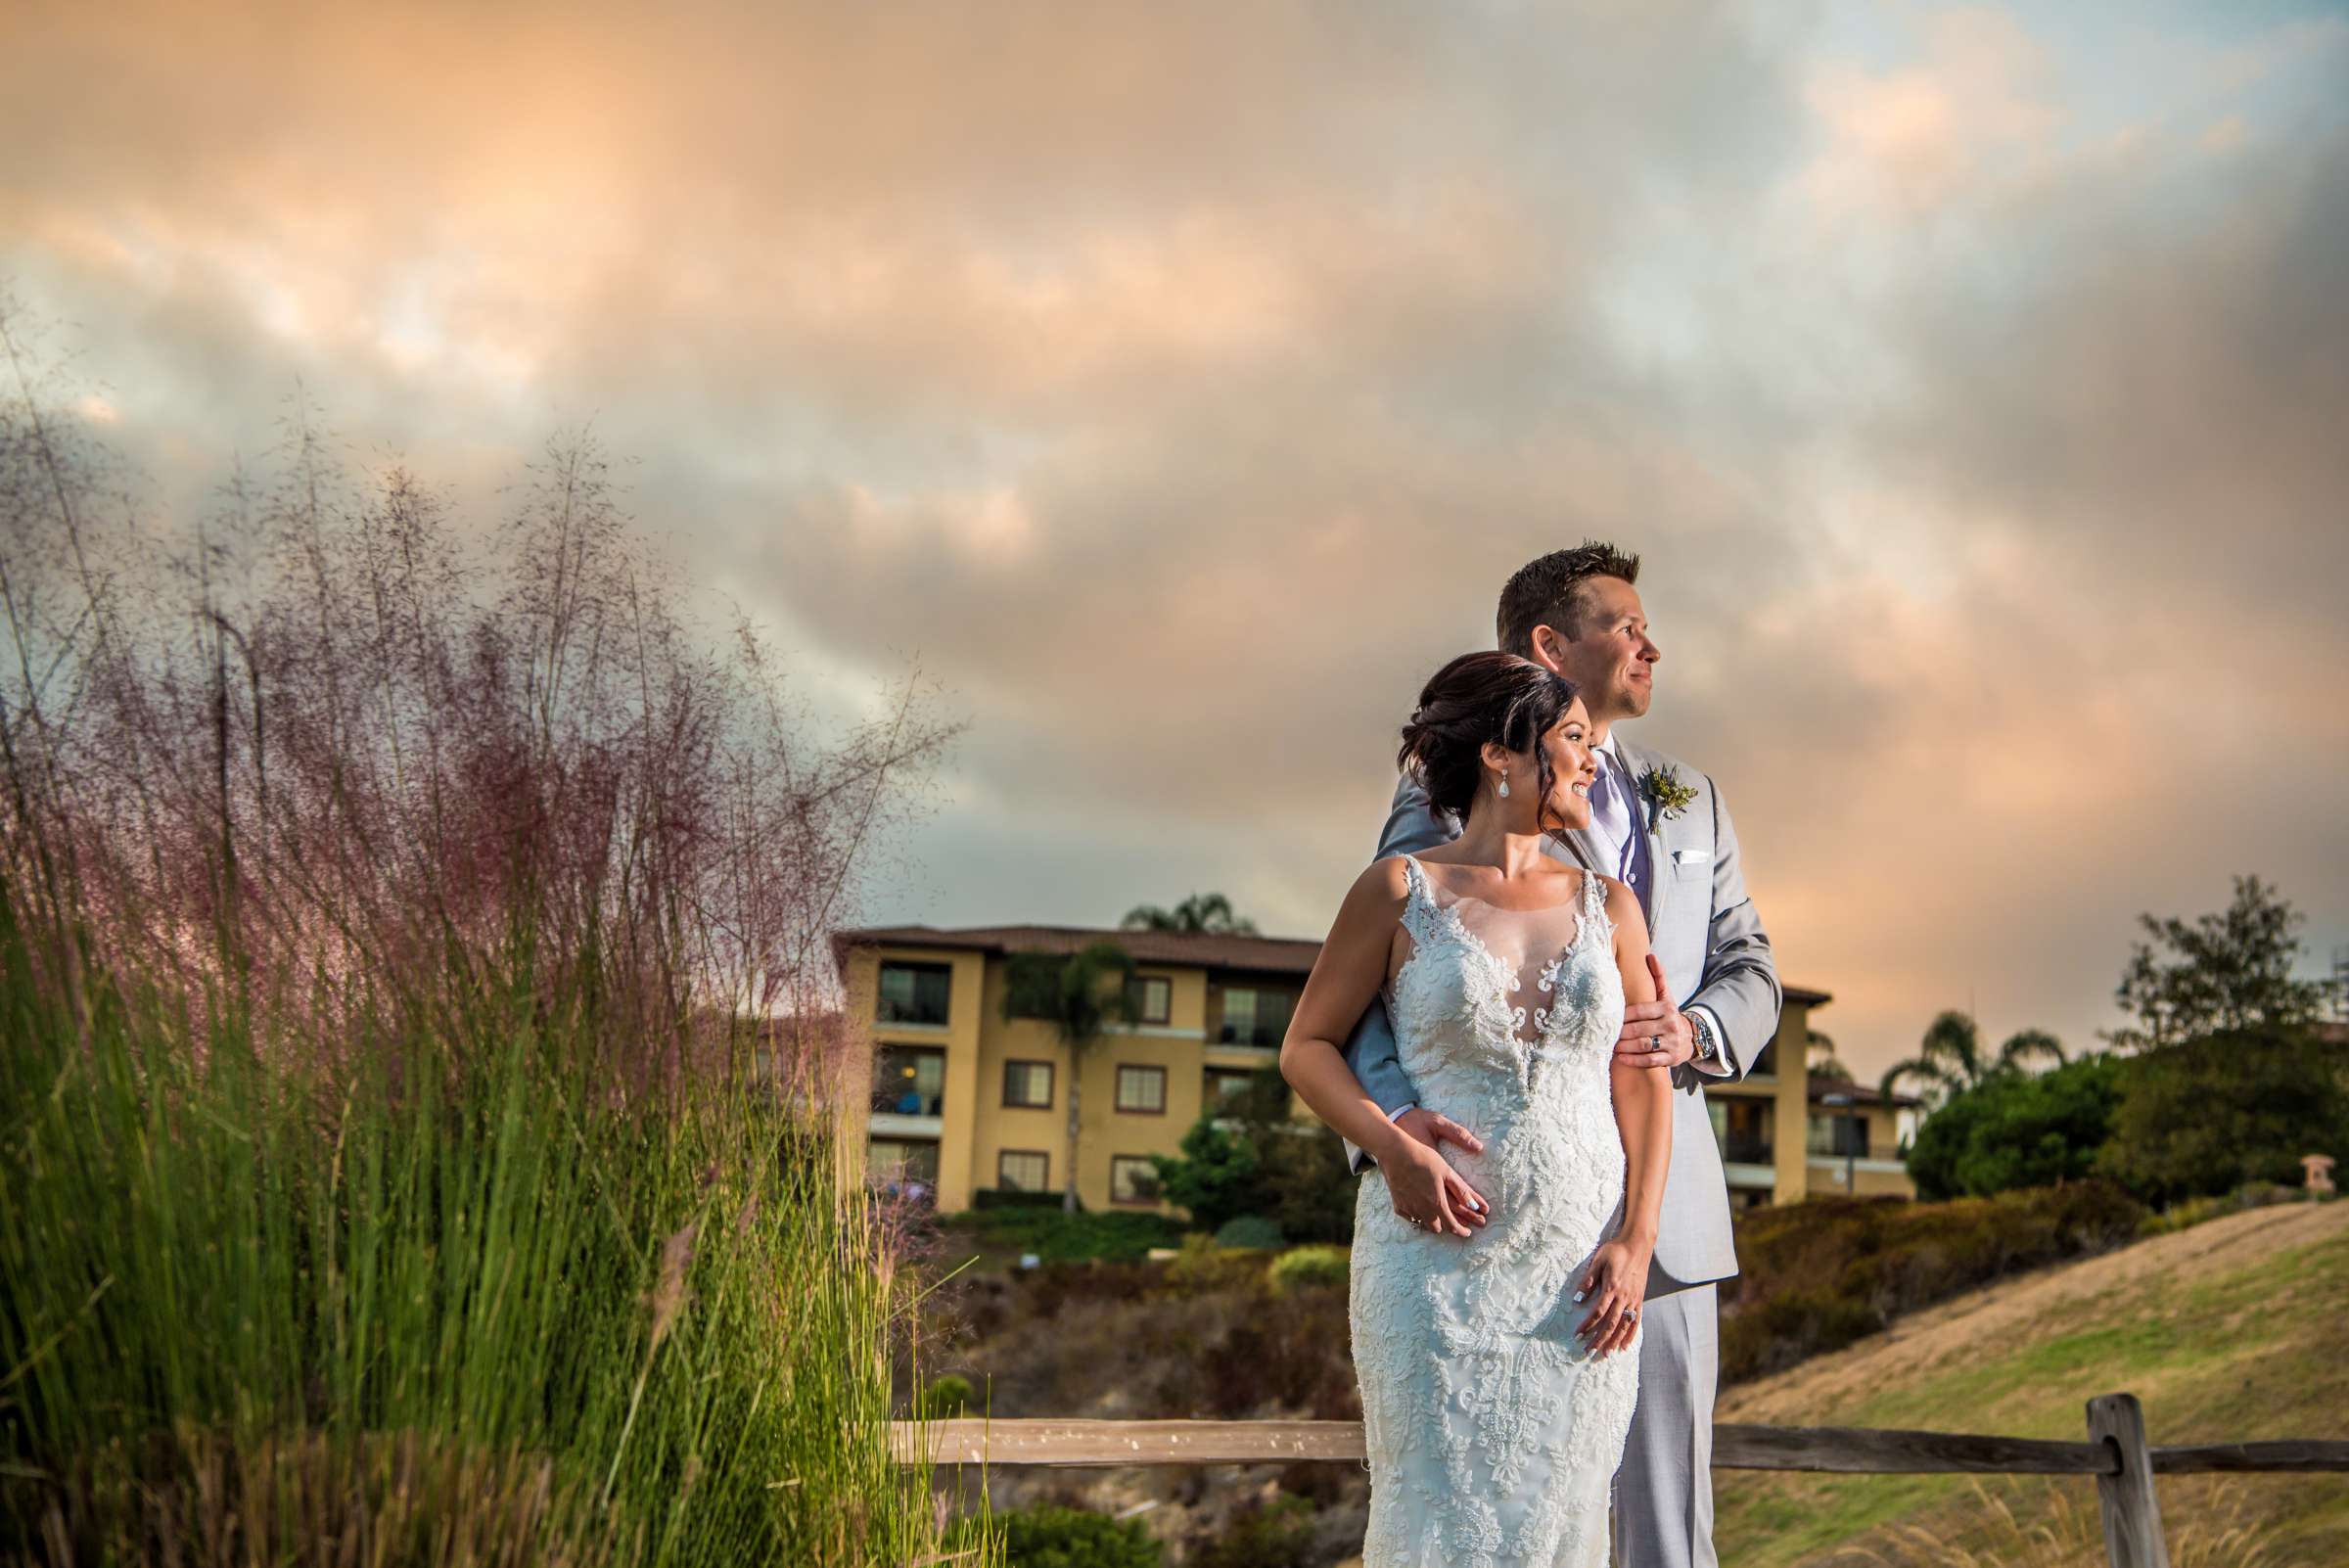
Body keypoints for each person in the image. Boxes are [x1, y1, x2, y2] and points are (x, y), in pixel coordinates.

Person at [1339, 542, 1782, 1568]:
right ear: (1550, 644)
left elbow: (1751, 961)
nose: (1651, 644)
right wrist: (1401, 1132)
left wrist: (1698, 1030)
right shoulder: (1441, 799)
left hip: (1666, 1214)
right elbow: (1375, 992)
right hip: (1489, 1219)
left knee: (1667, 1524)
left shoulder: (1691, 797)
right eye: (1626, 625)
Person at [1281, 652, 1674, 1567]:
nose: (1588, 759)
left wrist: (1638, 1239)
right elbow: (1306, 1048)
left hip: (1580, 1280)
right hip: (1434, 1276)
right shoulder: (1396, 892)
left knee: (1563, 1529)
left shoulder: (1612, 907)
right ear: (1504, 754)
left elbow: (1641, 1078)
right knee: (1436, 1530)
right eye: (1573, 738)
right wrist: (1392, 1150)